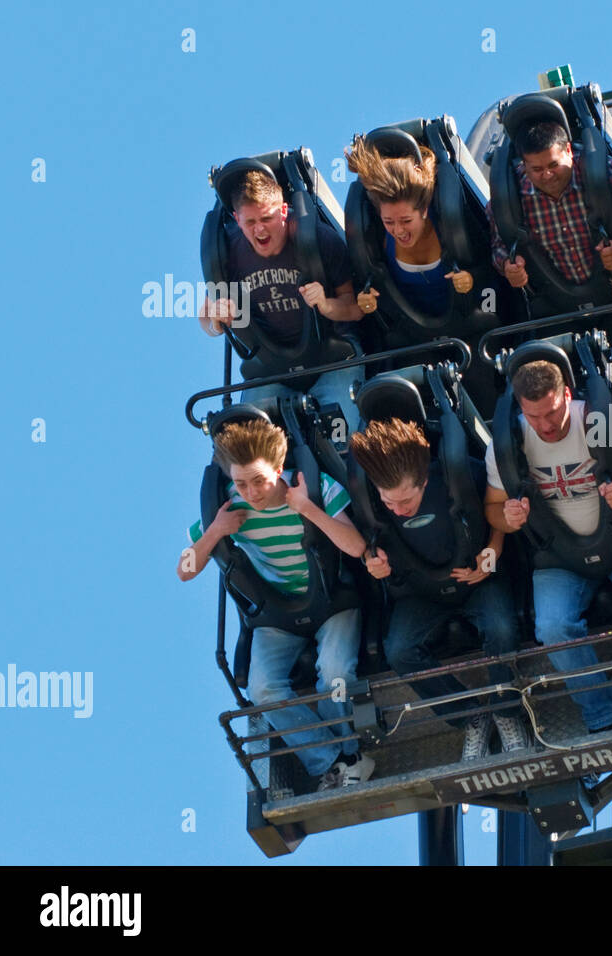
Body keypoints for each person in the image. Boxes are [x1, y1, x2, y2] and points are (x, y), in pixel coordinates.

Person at [483, 360, 612, 731]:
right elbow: (492, 508)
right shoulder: (507, 446)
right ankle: (602, 714)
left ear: (566, 395)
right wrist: (509, 518)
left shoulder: (608, 424)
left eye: (552, 412)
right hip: (559, 553)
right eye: (534, 417)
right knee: (552, 627)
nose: (546, 426)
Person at [178, 418, 374, 790]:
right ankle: (334, 761)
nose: (251, 492)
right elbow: (185, 570)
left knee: (335, 673)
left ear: (279, 469)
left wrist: (307, 509)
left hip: (330, 599)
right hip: (279, 612)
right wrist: (216, 530)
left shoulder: (311, 489)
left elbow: (356, 547)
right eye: (241, 483)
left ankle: (348, 753)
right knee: (262, 690)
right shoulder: (230, 506)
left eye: (259, 481)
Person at [349, 417, 531, 761]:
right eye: (391, 504)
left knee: (501, 628)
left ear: (425, 479)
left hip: (477, 579)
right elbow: (367, 546)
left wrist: (491, 555)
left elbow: (495, 510)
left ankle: (507, 712)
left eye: (406, 501)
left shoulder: (462, 475)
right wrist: (373, 561)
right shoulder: (371, 502)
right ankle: (470, 715)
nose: (398, 511)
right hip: (421, 592)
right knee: (399, 650)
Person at [198, 169, 364, 439]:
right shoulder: (229, 256)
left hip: (333, 360)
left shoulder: (319, 241)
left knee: (342, 443)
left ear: (284, 211)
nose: (259, 229)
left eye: (267, 218)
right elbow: (206, 318)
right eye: (250, 221)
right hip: (271, 369)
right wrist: (215, 321)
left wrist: (326, 304)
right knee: (253, 450)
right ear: (237, 220)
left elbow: (357, 307)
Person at [485, 120, 612, 291]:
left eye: (554, 165)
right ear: (524, 166)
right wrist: (508, 266)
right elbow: (498, 247)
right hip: (554, 301)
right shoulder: (506, 198)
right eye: (537, 169)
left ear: (569, 151)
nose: (547, 175)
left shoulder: (608, 175)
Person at [344, 136, 476, 320]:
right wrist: (367, 297)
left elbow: (487, 263)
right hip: (415, 339)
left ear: (424, 209)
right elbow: (365, 280)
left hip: (469, 324)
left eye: (406, 221)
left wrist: (471, 279)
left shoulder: (450, 224)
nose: (398, 231)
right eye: (389, 222)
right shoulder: (375, 239)